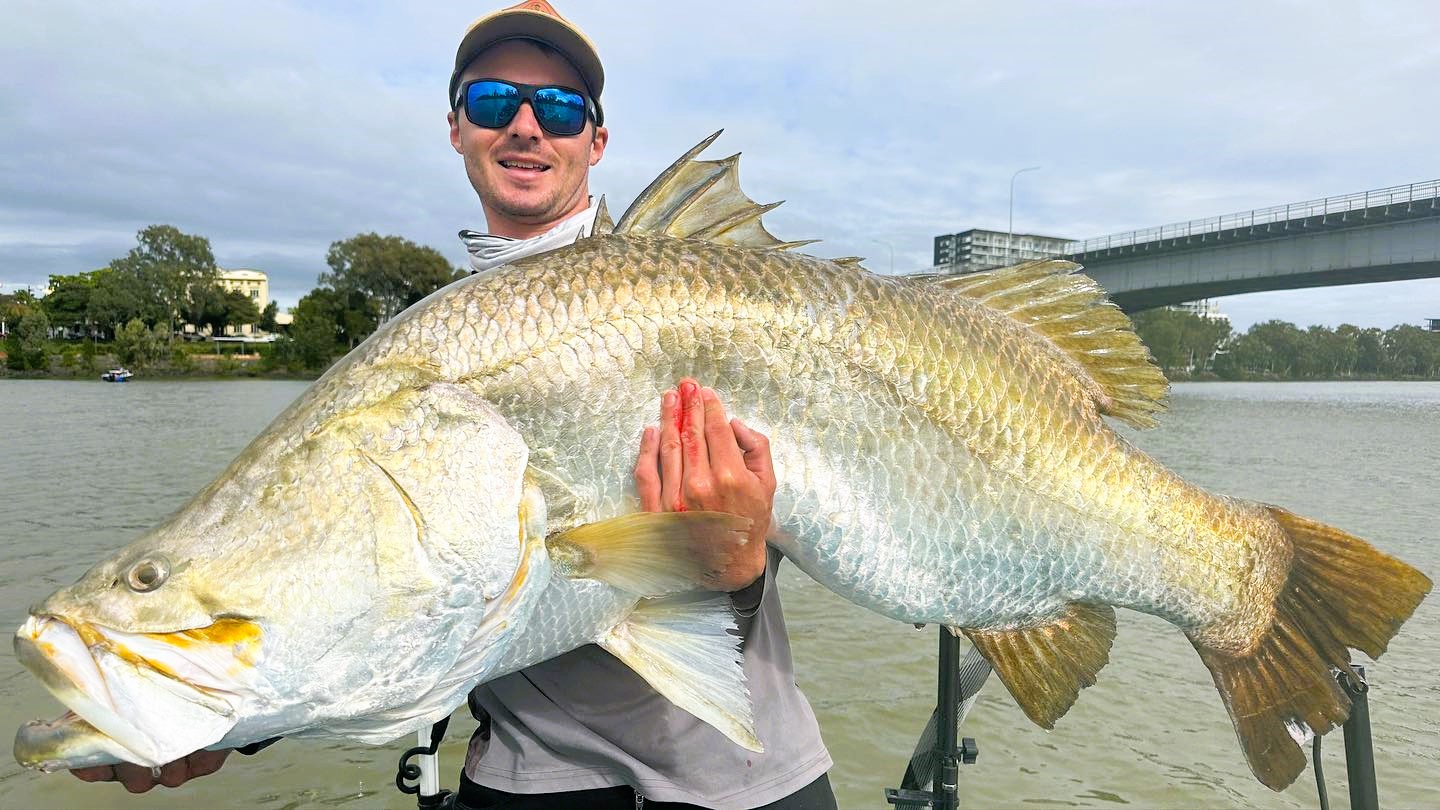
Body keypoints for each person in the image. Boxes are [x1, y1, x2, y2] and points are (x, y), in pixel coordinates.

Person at [74, 2, 835, 807]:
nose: (528, 127)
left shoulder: (705, 300)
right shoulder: (428, 350)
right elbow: (381, 577)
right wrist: (226, 711)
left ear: (595, 141)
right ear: (457, 129)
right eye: (495, 102)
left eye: (563, 108)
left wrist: (743, 568)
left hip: (750, 773)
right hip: (531, 779)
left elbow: (829, 522)